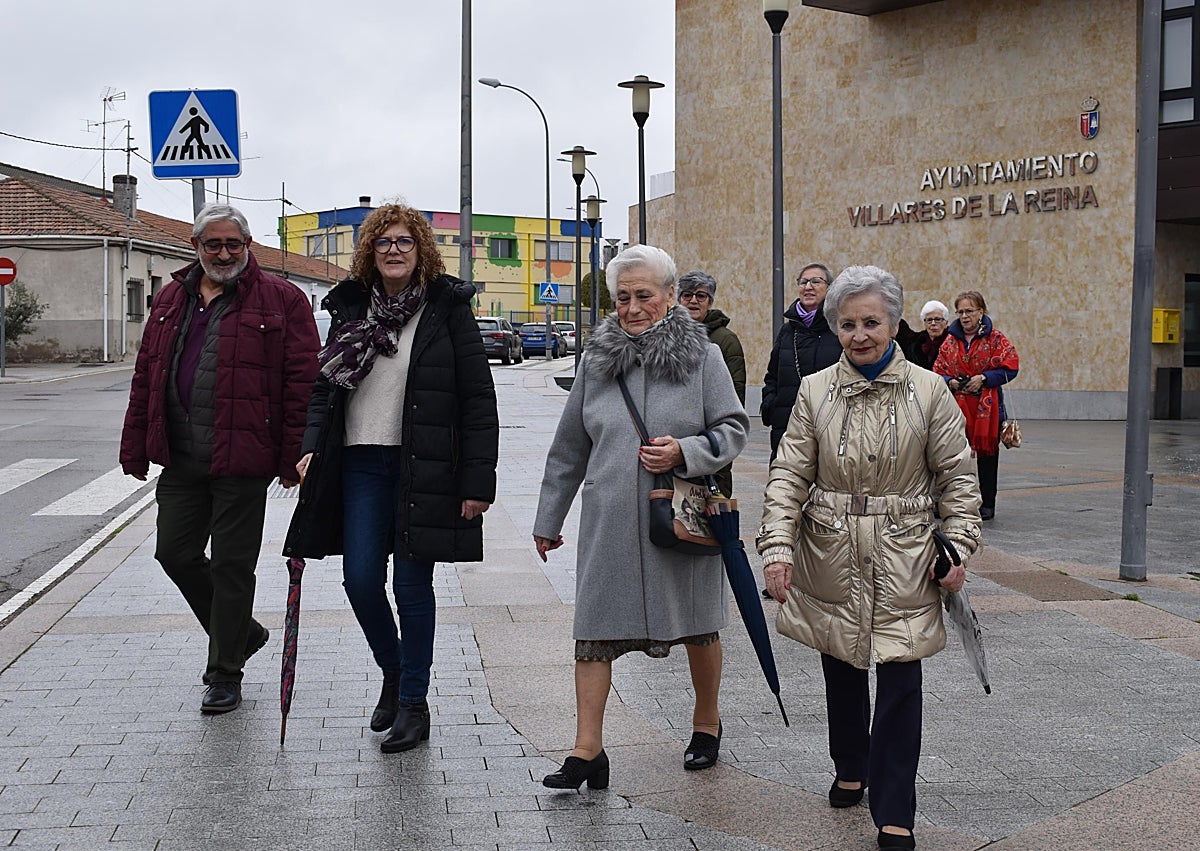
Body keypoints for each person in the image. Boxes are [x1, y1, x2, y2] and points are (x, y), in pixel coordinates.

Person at [758, 265, 981, 851]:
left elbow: (958, 479)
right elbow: (788, 476)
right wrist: (778, 546)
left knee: (902, 676)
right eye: (849, 323)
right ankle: (849, 763)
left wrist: (957, 546)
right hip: (831, 546)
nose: (860, 334)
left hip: (906, 551)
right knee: (842, 663)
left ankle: (895, 809)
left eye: (872, 322)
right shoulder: (814, 390)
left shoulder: (929, 391)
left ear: (893, 323)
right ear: (836, 327)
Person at [283, 203, 499, 754]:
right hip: (357, 464)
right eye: (384, 242)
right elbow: (324, 389)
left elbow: (477, 398)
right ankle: (395, 669)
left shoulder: (448, 309)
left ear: (420, 248)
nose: (394, 250)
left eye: (405, 241)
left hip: (421, 467)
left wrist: (477, 483)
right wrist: (310, 449)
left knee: (411, 586)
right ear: (370, 251)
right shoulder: (351, 308)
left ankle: (413, 705)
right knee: (359, 580)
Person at [532, 245, 749, 789]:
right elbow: (568, 447)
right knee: (593, 633)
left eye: (644, 296)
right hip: (610, 523)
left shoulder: (704, 358)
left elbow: (734, 428)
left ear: (671, 296)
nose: (632, 307)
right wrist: (548, 518)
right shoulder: (596, 361)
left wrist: (686, 452)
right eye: (623, 297)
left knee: (699, 628)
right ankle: (587, 750)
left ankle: (705, 724)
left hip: (680, 520)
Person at [120, 204, 320, 714]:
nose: (225, 253)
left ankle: (224, 673)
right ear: (197, 247)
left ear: (247, 245)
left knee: (233, 567)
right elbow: (147, 376)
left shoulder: (282, 300)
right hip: (182, 458)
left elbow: (303, 383)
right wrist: (135, 445)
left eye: (234, 244)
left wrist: (301, 451)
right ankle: (243, 633)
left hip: (245, 456)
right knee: (175, 553)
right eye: (214, 244)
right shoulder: (170, 299)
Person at [933, 290, 1019, 521]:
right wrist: (949, 381)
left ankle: (987, 503)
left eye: (969, 311)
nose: (964, 316)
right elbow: (938, 370)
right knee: (950, 455)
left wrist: (984, 379)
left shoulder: (996, 339)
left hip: (987, 409)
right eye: (960, 311)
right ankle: (949, 501)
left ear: (981, 311)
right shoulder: (950, 340)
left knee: (987, 457)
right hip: (956, 406)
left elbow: (1011, 367)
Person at [761, 263, 843, 459]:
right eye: (803, 282)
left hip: (830, 425)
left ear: (829, 288)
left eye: (816, 281)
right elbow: (773, 375)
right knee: (785, 482)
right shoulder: (788, 331)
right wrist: (771, 405)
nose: (808, 287)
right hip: (787, 423)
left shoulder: (839, 328)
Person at [677, 269, 745, 496]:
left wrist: (720, 453)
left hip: (712, 447)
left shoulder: (726, 341)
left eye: (700, 295)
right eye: (687, 295)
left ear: (710, 301)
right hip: (675, 447)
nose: (693, 301)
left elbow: (734, 400)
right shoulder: (669, 336)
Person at [905, 300, 951, 370]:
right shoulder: (916, 345)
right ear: (925, 324)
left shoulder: (953, 343)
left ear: (946, 323)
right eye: (929, 320)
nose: (933, 323)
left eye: (937, 319)